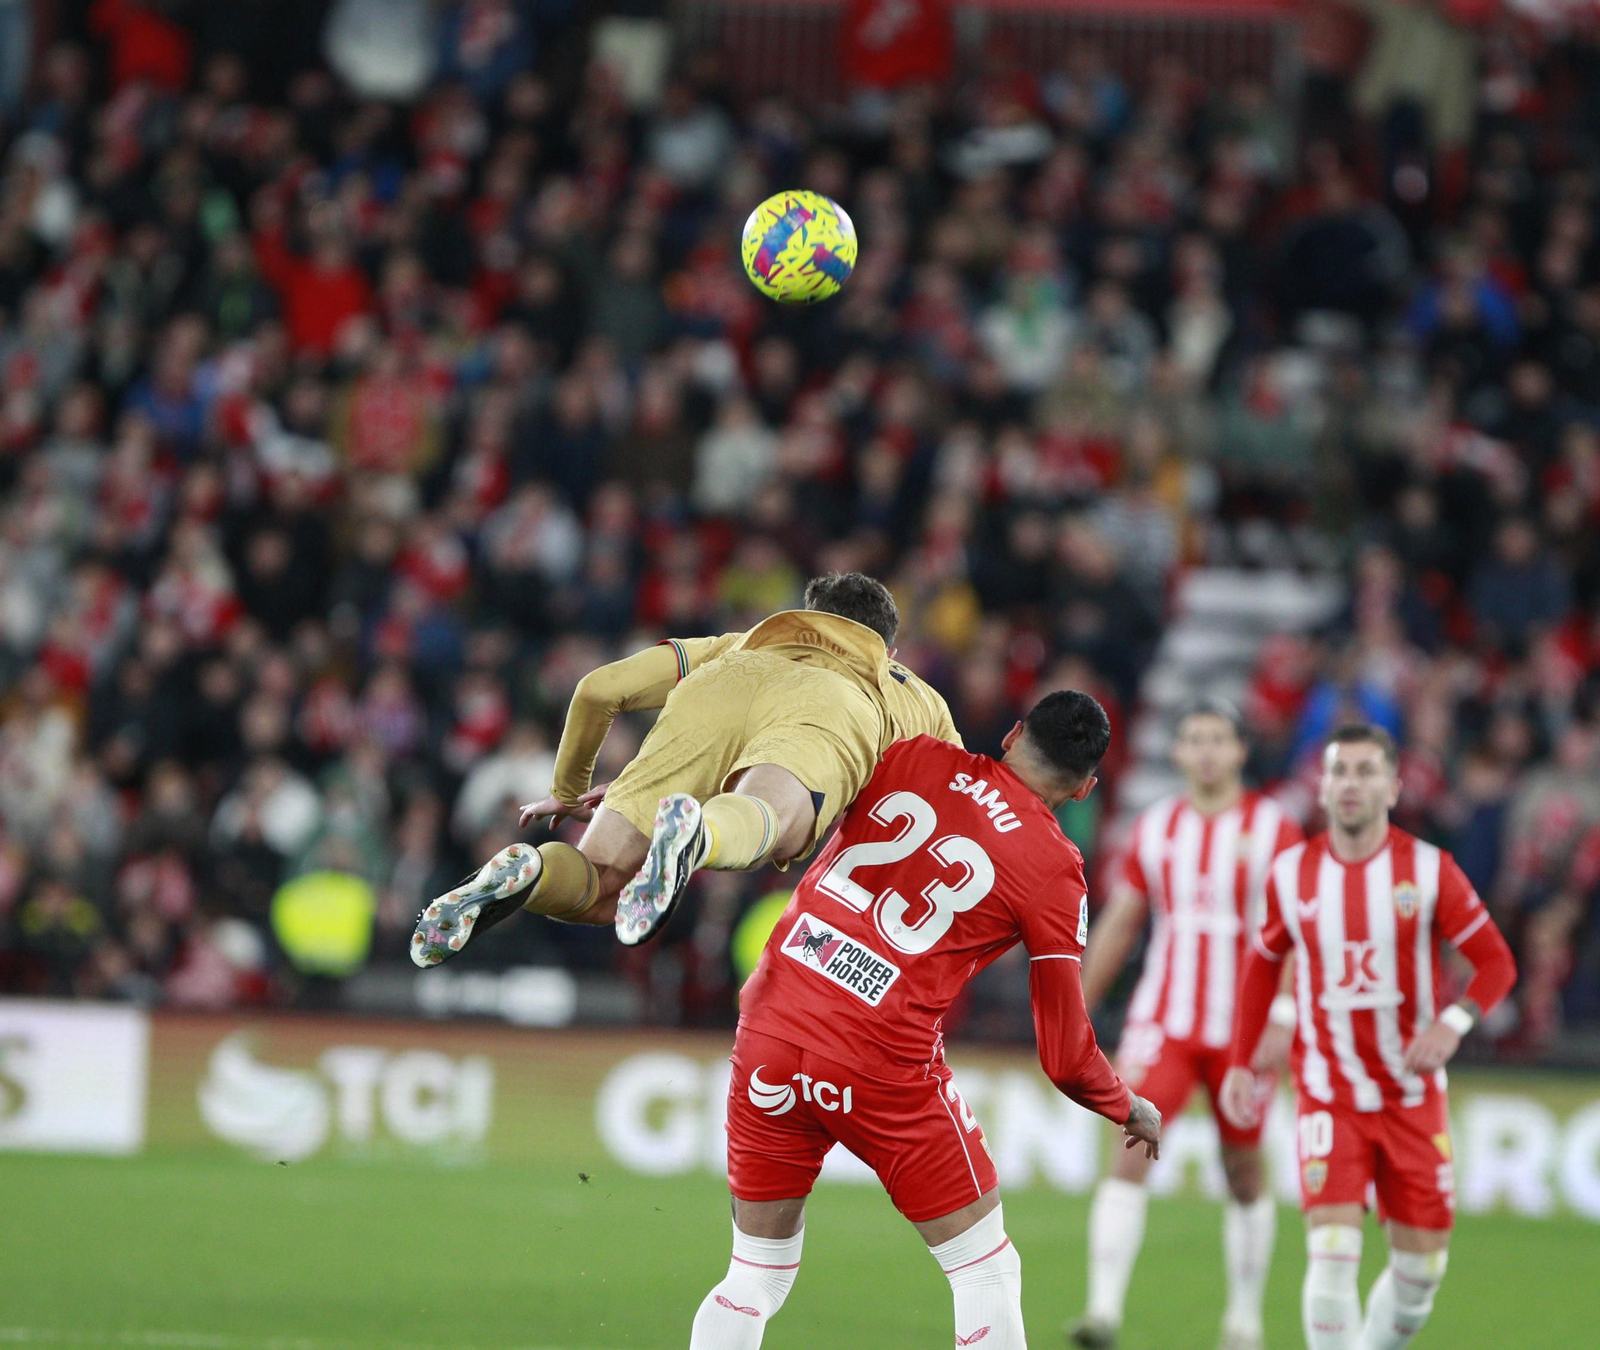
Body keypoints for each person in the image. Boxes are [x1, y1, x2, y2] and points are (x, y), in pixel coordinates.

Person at [689, 691, 1162, 1350]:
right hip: (880, 1062)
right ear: (1084, 789)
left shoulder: (910, 754)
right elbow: (1065, 1056)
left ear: (1014, 733)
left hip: (771, 1024)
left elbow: (796, 786)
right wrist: (1125, 1104)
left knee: (756, 1275)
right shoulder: (1055, 869)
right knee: (984, 1268)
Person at [410, 572, 959, 962]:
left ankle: (530, 873)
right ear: (888, 648)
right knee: (765, 817)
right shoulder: (908, 692)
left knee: (601, 888)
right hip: (831, 707)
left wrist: (568, 791)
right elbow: (964, 794)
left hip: (716, 691)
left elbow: (598, 689)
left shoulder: (732, 646)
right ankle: (700, 832)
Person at [1220, 724, 1518, 1350]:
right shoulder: (1292, 873)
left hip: (1411, 1095)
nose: (1350, 784)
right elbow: (1260, 967)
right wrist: (1244, 1062)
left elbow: (1496, 963)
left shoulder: (1431, 872)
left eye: (1364, 772)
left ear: (1393, 787)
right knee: (1330, 1253)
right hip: (1328, 1091)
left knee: (1421, 1273)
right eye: (1338, 772)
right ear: (1322, 789)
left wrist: (1452, 1021)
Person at [1071, 700, 1303, 1350]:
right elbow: (1121, 921)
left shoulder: (1275, 829)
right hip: (1165, 1020)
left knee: (1243, 1168)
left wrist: (1283, 1015)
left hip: (1244, 1031)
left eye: (1217, 739)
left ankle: (1244, 1320)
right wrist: (1074, 1004)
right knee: (1129, 1142)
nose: (1205, 751)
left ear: (1239, 752)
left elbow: (1294, 935)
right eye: (1193, 739)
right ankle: (1102, 1313)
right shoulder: (1156, 827)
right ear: (1177, 753)